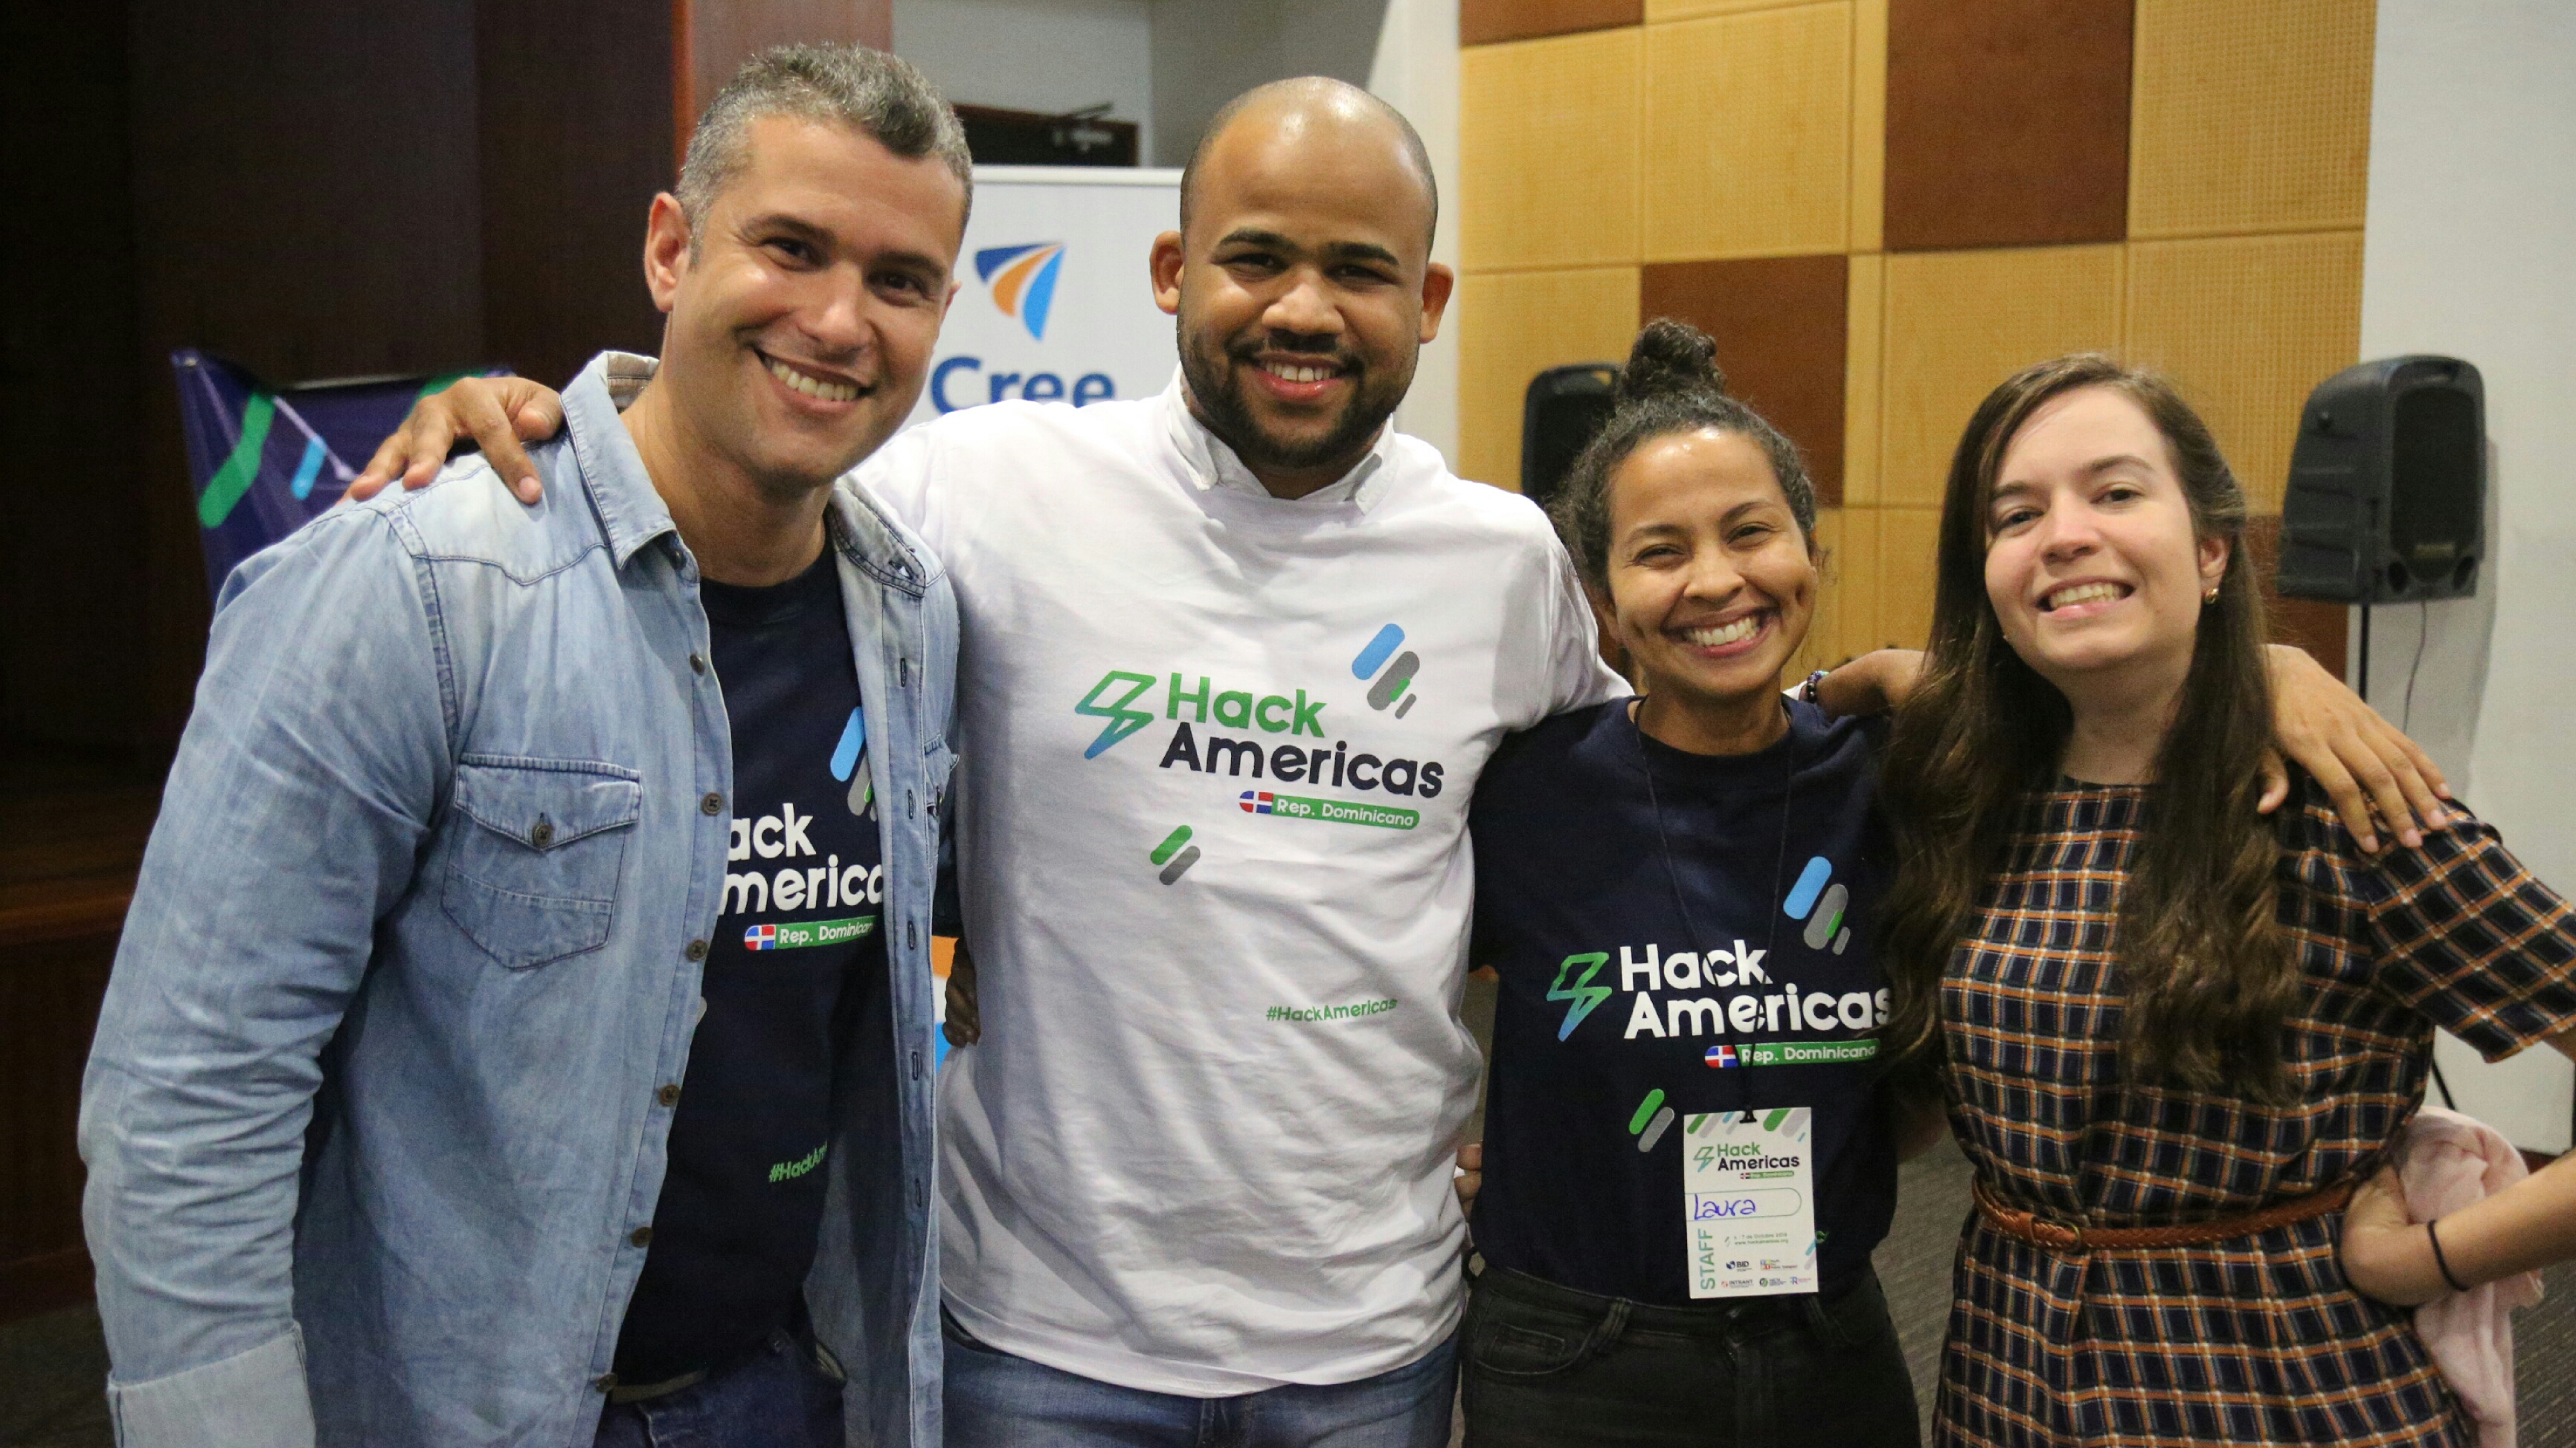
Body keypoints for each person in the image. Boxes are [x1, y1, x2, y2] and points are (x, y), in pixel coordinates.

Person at [350, 82, 2442, 1442]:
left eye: (1358, 268)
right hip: (1038, 1332)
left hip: (1374, 1338)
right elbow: (743, 461)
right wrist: (542, 400)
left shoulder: (1505, 561)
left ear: (1426, 299)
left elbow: (1704, 744)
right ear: (1172, 273)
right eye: (1256, 255)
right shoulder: (983, 490)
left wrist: (2239, 670)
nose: (1304, 306)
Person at [81, 45, 967, 1447]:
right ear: (671, 250)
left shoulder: (913, 614)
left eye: (900, 280)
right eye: (792, 248)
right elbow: (189, 1102)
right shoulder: (412, 586)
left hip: (787, 1388)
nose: (839, 319)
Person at [1875, 353, 2576, 1447]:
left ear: (2211, 549)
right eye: (2016, 515)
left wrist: (2430, 1260)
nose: (2064, 535)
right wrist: (1872, 672)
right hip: (2007, 1382)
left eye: (2116, 492)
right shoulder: (1971, 796)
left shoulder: (2348, 808)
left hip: (2279, 1391)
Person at [1459, 320, 1930, 1445]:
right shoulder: (1524, 794)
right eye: (1660, 551)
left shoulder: (1894, 778)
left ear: (1810, 554)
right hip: (1578, 1363)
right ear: (1603, 598)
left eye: (1751, 532)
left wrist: (2276, 670)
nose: (1716, 581)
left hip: (1834, 1344)